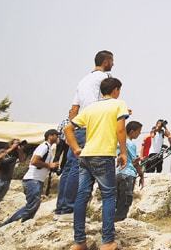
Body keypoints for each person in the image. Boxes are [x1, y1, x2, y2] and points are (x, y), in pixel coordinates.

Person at [65, 77, 130, 250]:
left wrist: (76, 148)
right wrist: (123, 152)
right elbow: (121, 129)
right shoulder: (119, 104)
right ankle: (107, 241)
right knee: (109, 196)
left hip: (86, 156)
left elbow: (67, 129)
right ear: (116, 90)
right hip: (104, 155)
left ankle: (79, 242)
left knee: (82, 196)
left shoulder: (91, 108)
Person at [56, 50, 114, 218]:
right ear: (106, 61)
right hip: (92, 126)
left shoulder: (83, 81)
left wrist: (72, 131)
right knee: (79, 168)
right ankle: (70, 209)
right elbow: (107, 103)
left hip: (78, 127)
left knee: (68, 168)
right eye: (112, 61)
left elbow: (73, 110)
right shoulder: (104, 79)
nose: (113, 64)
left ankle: (61, 208)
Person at [3, 129, 60, 225]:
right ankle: (9, 224)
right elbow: (34, 161)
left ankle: (22, 224)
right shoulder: (44, 147)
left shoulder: (49, 148)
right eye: (56, 135)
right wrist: (49, 165)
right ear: (50, 136)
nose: (58, 137)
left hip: (36, 180)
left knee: (33, 205)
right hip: (33, 180)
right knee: (32, 206)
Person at [115, 121, 144, 222]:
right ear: (132, 131)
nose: (139, 134)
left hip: (118, 174)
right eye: (138, 132)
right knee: (125, 201)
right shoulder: (131, 144)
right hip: (128, 175)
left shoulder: (120, 143)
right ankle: (120, 222)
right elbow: (134, 162)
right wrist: (141, 174)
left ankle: (113, 221)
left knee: (117, 200)